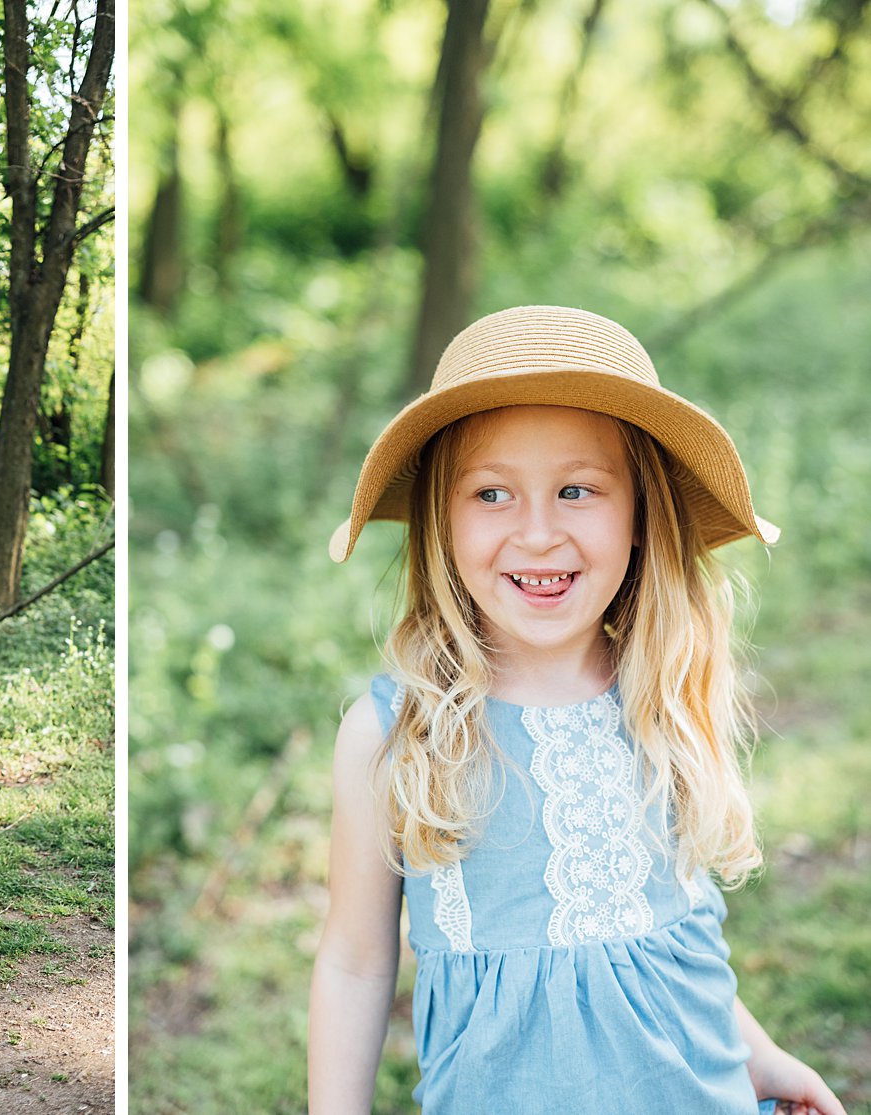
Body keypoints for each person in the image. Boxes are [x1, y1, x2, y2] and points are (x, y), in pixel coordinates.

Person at [307, 306, 846, 1115]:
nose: (537, 532)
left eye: (576, 489)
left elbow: (672, 935)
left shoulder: (665, 692)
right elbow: (354, 964)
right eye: (492, 493)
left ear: (640, 513)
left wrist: (760, 1057)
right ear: (441, 523)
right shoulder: (395, 735)